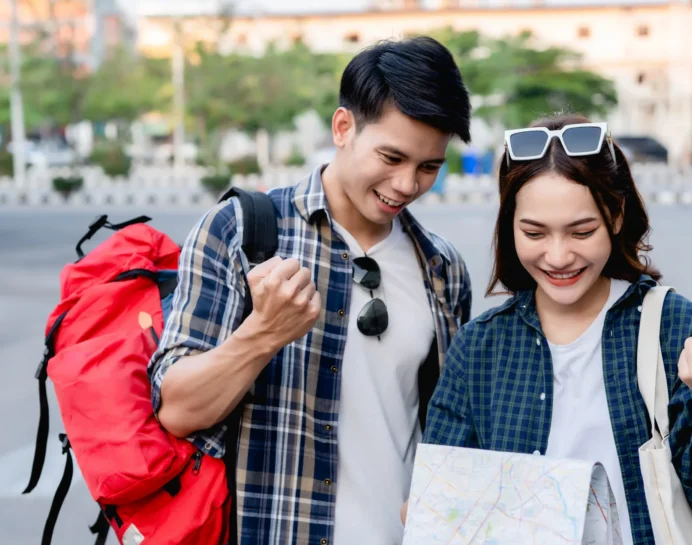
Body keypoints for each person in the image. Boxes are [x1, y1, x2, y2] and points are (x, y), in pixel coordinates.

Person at [148, 36, 473, 545]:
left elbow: (448, 429)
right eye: (391, 157)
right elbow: (177, 411)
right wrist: (263, 334)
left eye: (428, 166)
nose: (407, 184)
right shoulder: (241, 232)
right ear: (343, 128)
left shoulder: (442, 267)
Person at [417, 113, 692, 545]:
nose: (558, 256)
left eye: (581, 231)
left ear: (616, 216)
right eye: (534, 232)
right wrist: (428, 507)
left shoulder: (669, 324)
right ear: (510, 226)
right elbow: (444, 501)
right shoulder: (479, 347)